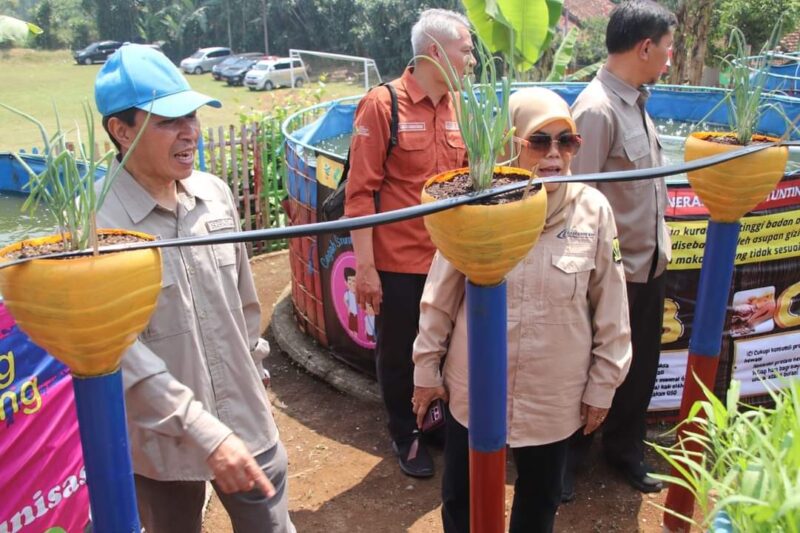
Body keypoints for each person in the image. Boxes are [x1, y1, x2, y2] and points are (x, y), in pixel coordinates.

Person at [93, 44, 295, 533]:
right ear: (121, 131)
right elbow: (119, 353)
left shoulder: (214, 195)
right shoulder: (97, 226)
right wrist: (204, 432)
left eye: (192, 115)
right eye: (168, 120)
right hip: (160, 445)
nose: (190, 132)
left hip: (245, 419)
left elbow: (244, 302)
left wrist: (257, 371)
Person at [412, 88, 632, 533]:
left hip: (553, 394)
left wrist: (602, 386)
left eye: (566, 141)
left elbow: (612, 306)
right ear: (512, 146)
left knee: (540, 503)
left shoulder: (593, 211)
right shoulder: (476, 205)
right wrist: (425, 370)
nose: (554, 154)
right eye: (539, 141)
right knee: (462, 501)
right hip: (473, 387)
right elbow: (439, 296)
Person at [344, 8, 473, 478]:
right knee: (399, 353)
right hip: (399, 263)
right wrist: (367, 267)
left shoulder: (462, 107)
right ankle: (406, 432)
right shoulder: (383, 105)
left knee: (443, 349)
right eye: (465, 50)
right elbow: (360, 193)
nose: (472, 60)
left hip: (452, 260)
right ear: (436, 53)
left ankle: (434, 419)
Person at [566, 0, 677, 497]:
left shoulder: (637, 100)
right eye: (668, 49)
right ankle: (567, 464)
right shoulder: (596, 109)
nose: (670, 59)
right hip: (610, 275)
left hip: (647, 268)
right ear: (645, 47)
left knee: (638, 370)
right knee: (588, 368)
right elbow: (576, 200)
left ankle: (624, 451)